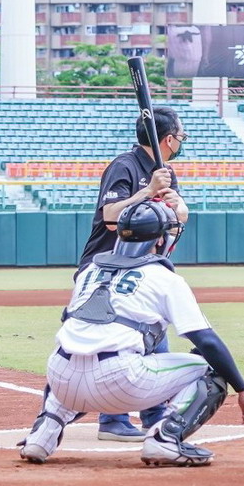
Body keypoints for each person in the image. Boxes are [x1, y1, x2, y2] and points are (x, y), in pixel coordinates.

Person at [19, 200, 244, 467]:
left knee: (75, 349)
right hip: (119, 380)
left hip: (61, 379)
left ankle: (42, 433)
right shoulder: (164, 278)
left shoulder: (89, 271)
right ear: (158, 242)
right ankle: (165, 440)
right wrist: (243, 390)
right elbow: (207, 341)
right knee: (211, 369)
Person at [80, 106, 190, 441]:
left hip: (143, 268)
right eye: (182, 135)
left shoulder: (165, 170)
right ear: (168, 138)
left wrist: (173, 202)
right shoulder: (124, 166)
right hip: (105, 269)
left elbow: (181, 217)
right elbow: (111, 217)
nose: (183, 140)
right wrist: (146, 191)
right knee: (121, 342)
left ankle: (154, 414)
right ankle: (113, 420)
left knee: (155, 336)